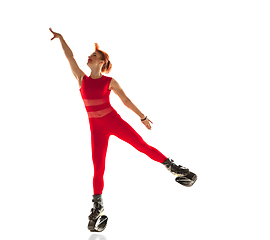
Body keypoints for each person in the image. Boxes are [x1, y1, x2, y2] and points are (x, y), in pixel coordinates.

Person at [49, 28, 195, 231]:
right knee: (98, 167)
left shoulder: (110, 82)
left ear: (101, 62)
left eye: (94, 55)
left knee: (142, 146)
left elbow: (125, 100)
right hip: (96, 128)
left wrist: (142, 116)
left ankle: (175, 168)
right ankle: (97, 207)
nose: (89, 56)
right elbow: (69, 56)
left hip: (113, 121)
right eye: (91, 54)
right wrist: (61, 39)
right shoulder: (82, 79)